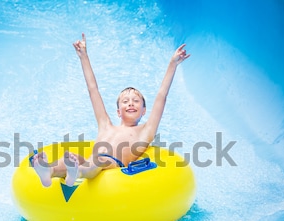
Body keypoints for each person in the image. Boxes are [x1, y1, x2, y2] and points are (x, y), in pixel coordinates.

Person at [31, 33, 190, 187]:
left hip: (111, 164)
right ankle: (49, 171)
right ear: (118, 112)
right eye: (125, 101)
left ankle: (76, 173)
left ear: (143, 111)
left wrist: (172, 64)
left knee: (98, 160)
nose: (130, 104)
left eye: (136, 101)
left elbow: (161, 95)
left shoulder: (146, 131)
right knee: (73, 158)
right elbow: (93, 89)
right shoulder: (105, 125)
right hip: (91, 161)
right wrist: (83, 57)